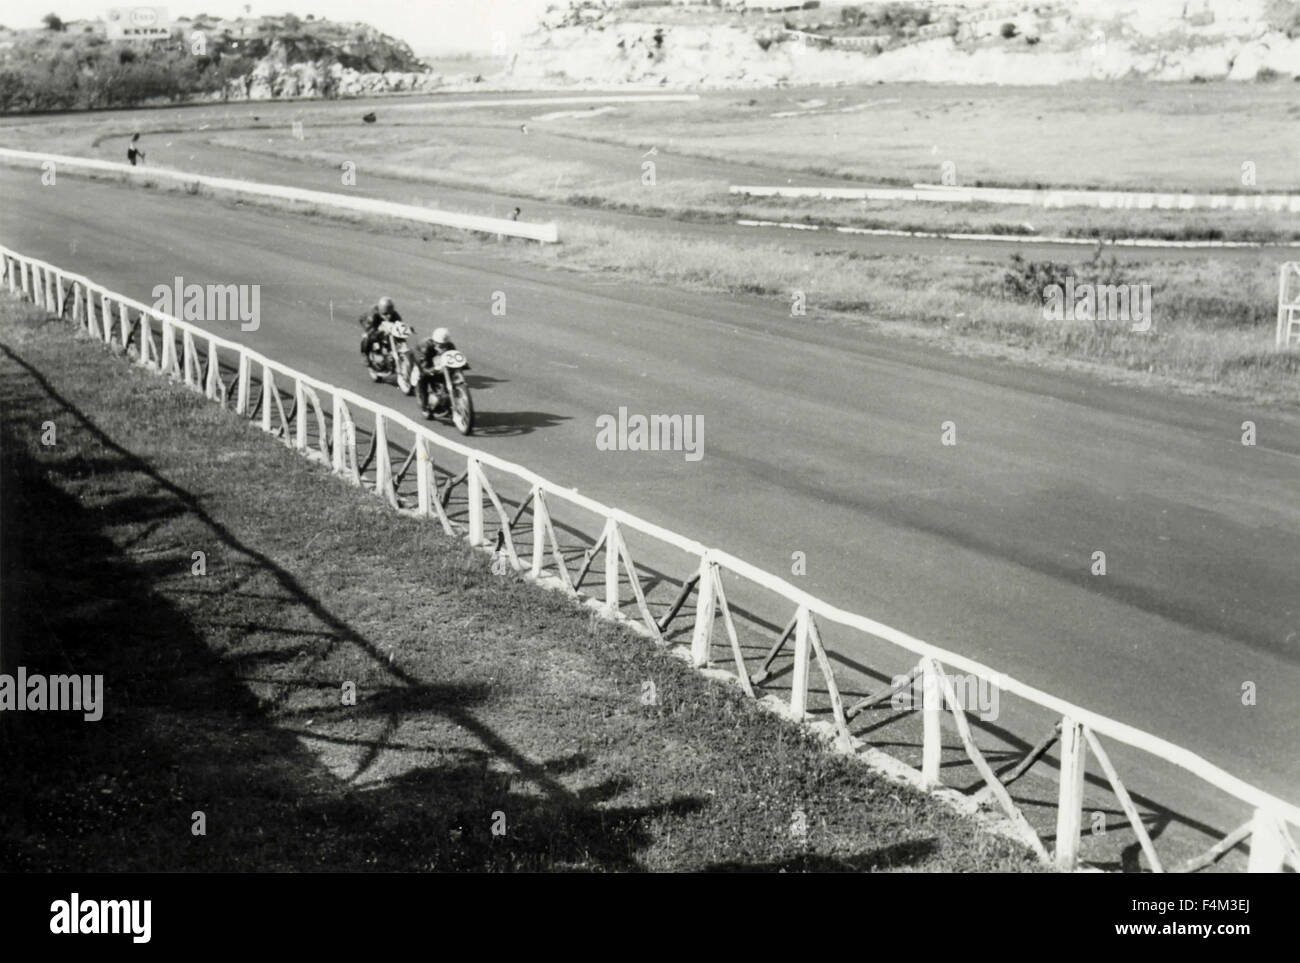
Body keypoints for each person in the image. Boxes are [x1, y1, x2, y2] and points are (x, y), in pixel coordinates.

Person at [415, 326, 456, 412]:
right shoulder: (426, 347)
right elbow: (424, 366)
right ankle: (424, 404)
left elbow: (454, 358)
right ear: (434, 342)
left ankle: (447, 397)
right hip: (423, 358)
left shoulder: (450, 346)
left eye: (445, 345)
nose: (443, 348)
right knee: (423, 378)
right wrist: (431, 370)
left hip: (438, 362)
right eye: (440, 345)